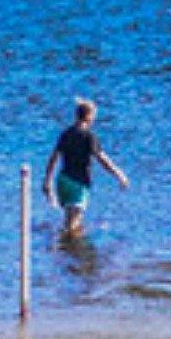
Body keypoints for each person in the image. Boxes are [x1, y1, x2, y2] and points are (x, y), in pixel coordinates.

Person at [42, 98, 128, 238]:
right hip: (79, 183)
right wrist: (119, 175)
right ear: (89, 116)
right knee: (73, 224)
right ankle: (67, 248)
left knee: (71, 219)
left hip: (63, 181)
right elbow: (102, 159)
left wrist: (48, 180)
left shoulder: (66, 133)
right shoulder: (89, 137)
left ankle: (67, 251)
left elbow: (54, 157)